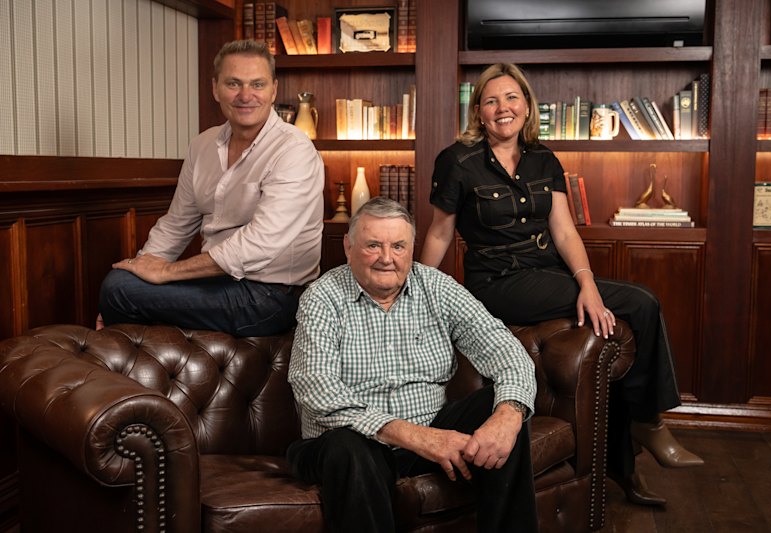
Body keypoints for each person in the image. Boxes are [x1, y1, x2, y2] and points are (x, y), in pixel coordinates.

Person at [419, 63, 703, 507]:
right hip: (498, 282)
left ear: (527, 105)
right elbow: (439, 232)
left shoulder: (544, 159)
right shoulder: (457, 161)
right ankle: (648, 423)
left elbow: (565, 230)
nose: (502, 108)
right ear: (478, 111)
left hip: (547, 274)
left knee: (621, 317)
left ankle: (624, 461)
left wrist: (586, 285)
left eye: (512, 98)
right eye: (491, 100)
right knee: (641, 302)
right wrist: (418, 293)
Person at [287, 197, 539, 533]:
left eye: (398, 246)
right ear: (348, 246)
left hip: (431, 427)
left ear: (412, 247)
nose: (386, 258)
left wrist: (508, 414)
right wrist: (419, 438)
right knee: (348, 448)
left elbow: (504, 347)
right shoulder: (323, 297)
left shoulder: (435, 286)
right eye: (373, 245)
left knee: (504, 409)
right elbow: (317, 389)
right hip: (347, 444)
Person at [97, 40, 324, 337]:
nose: (246, 95)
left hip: (273, 295)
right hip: (218, 283)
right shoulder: (202, 145)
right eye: (234, 84)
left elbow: (260, 243)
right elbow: (177, 224)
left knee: (119, 291)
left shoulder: (294, 150)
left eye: (257, 84)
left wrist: (164, 273)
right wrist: (142, 268)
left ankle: (139, 372)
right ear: (215, 87)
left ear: (274, 90)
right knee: (121, 281)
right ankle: (152, 372)